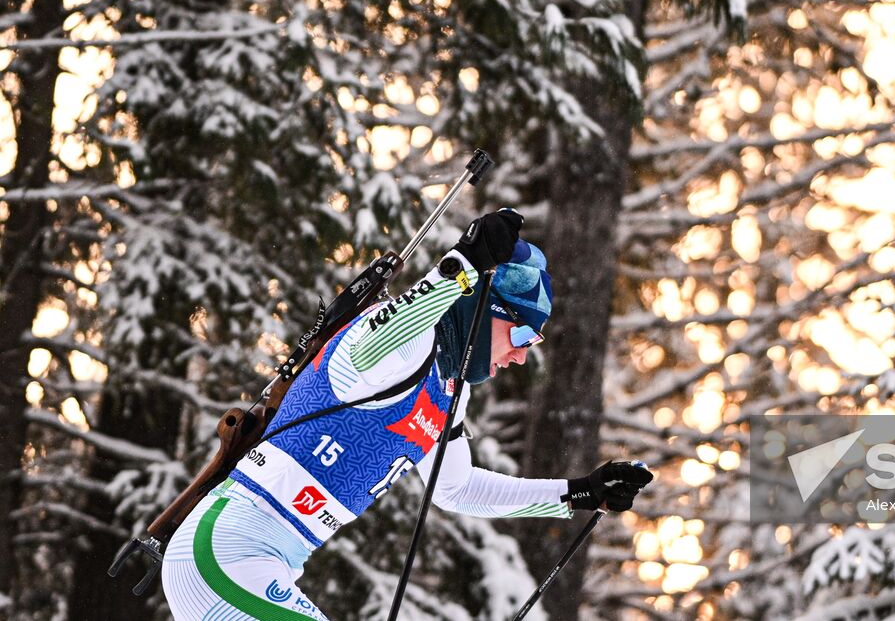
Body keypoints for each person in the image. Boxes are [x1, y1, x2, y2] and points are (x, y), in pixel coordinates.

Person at [160, 209, 653, 620]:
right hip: (223, 553)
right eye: (522, 335)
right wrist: (464, 264)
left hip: (267, 562)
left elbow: (458, 489)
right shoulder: (404, 345)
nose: (521, 355)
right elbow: (388, 330)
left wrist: (575, 494)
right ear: (486, 310)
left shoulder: (446, 392)